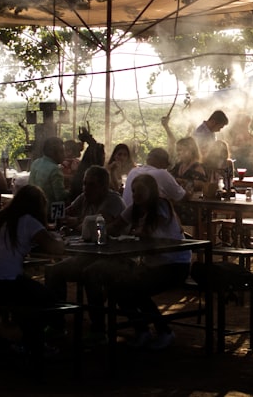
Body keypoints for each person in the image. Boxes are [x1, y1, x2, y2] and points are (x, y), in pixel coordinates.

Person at [90, 173, 191, 350]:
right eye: (134, 191)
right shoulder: (134, 208)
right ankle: (141, 330)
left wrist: (129, 233)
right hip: (153, 264)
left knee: (136, 289)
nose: (135, 195)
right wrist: (99, 226)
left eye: (140, 191)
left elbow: (147, 232)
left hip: (175, 264)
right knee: (118, 287)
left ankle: (164, 332)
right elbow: (116, 226)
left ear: (151, 192)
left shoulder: (161, 206)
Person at [0, 185, 65, 354]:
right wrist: (62, 241)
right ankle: (35, 343)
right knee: (45, 299)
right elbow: (53, 248)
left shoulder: (0, 217)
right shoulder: (28, 221)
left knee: (15, 296)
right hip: (2, 283)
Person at [44, 165, 125, 338]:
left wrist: (74, 222)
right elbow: (65, 214)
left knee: (91, 274)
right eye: (84, 183)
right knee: (53, 271)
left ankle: (98, 328)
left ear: (104, 187)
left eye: (91, 184)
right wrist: (64, 221)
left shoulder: (113, 201)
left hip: (115, 257)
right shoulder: (85, 197)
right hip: (88, 255)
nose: (85, 188)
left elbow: (96, 223)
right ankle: (56, 323)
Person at [122, 147, 188, 206]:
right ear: (162, 162)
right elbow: (182, 197)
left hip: (127, 217)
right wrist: (189, 189)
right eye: (166, 164)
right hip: (146, 218)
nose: (166, 167)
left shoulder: (133, 171)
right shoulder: (162, 174)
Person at [28, 136, 70, 211]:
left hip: (34, 208)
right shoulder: (55, 169)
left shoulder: (36, 163)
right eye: (61, 151)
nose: (64, 155)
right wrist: (71, 190)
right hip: (49, 212)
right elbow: (60, 197)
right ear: (52, 153)